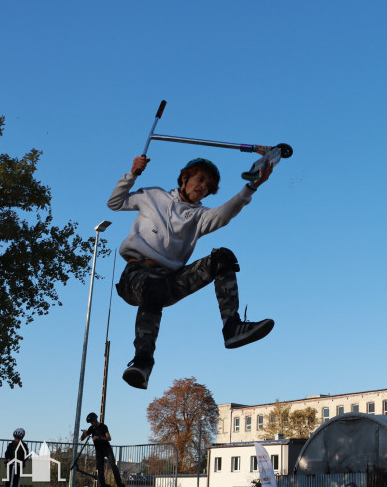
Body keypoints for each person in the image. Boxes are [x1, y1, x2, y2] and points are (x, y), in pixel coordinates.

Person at [108, 155, 275, 389]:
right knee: (152, 288)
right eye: (200, 179)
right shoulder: (153, 196)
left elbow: (224, 215)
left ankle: (232, 327)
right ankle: (142, 364)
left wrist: (251, 187)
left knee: (223, 257)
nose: (203, 187)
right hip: (136, 275)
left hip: (171, 280)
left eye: (208, 187)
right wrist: (132, 174)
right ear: (184, 177)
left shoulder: (200, 216)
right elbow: (114, 203)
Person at [80, 412, 125, 487]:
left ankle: (120, 485)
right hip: (99, 451)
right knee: (100, 471)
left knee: (113, 466)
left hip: (107, 449)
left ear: (95, 420)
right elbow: (82, 439)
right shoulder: (91, 428)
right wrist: (84, 434)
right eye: (90, 423)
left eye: (92, 422)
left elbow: (109, 438)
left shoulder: (103, 426)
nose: (91, 423)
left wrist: (100, 437)